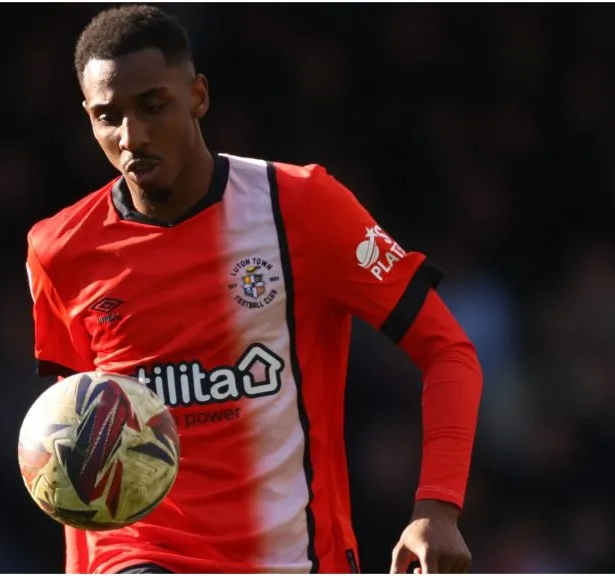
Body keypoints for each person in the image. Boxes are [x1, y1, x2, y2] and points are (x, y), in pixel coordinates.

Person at [25, 5, 483, 574]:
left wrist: (437, 507)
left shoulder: (303, 207)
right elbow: (74, 457)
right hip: (143, 556)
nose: (131, 136)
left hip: (294, 557)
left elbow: (448, 350)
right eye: (108, 116)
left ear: (198, 96)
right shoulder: (60, 250)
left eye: (152, 106)